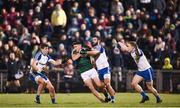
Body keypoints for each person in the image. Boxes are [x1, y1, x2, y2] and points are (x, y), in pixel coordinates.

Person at [83, 36, 115, 103]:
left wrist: (86, 52)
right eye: (92, 39)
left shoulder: (99, 47)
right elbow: (93, 61)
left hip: (105, 69)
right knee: (101, 87)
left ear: (98, 41)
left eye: (95, 39)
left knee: (108, 84)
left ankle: (113, 99)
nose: (93, 40)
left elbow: (95, 52)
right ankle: (107, 97)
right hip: (99, 70)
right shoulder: (92, 50)